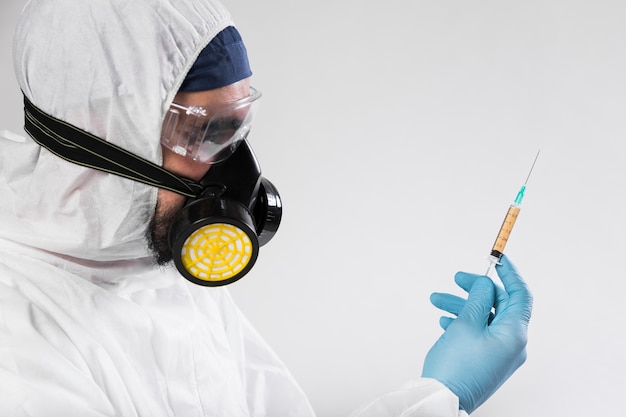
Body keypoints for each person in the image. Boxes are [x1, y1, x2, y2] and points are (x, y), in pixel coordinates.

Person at [0, 0, 532, 415]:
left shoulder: (154, 269)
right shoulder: (19, 354)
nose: (235, 171)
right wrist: (439, 399)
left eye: (235, 128)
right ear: (101, 131)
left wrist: (437, 392)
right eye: (204, 132)